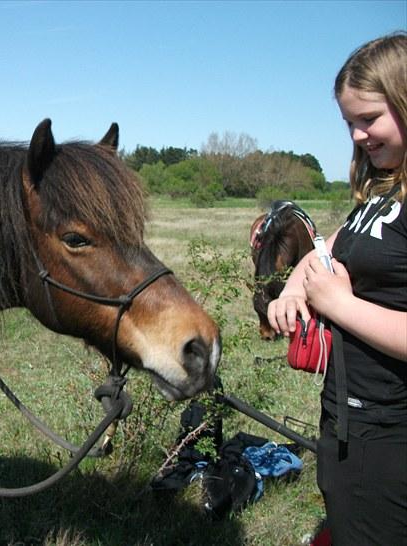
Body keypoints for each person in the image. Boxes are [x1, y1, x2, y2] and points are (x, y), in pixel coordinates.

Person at [267, 31, 407, 546]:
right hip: (348, 418)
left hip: (393, 435)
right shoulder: (382, 192)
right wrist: (295, 291)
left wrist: (339, 305)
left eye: (369, 118)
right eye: (349, 122)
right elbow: (325, 252)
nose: (356, 136)